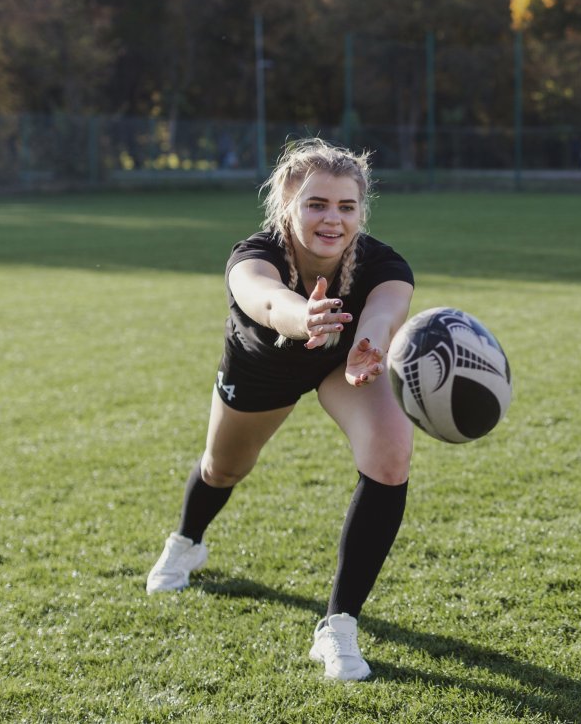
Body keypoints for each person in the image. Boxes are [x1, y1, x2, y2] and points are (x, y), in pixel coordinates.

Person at [146, 138, 416, 682]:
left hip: (345, 364)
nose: (332, 219)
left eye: (346, 206)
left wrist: (367, 345)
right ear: (287, 204)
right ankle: (187, 543)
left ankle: (338, 626)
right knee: (223, 468)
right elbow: (267, 301)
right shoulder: (254, 255)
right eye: (317, 204)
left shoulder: (385, 264)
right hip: (262, 367)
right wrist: (305, 317)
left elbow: (385, 312)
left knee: (391, 454)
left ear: (362, 210)